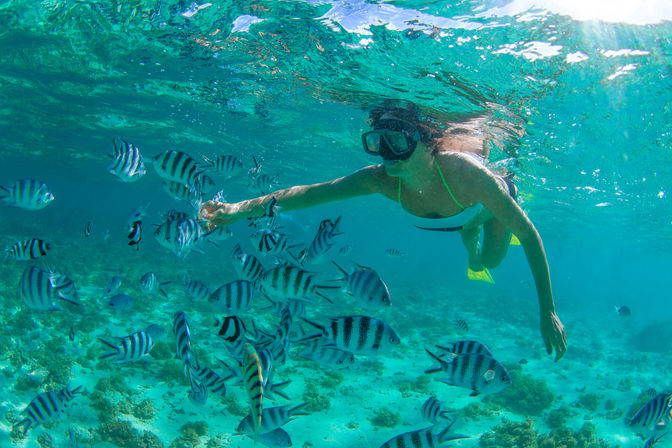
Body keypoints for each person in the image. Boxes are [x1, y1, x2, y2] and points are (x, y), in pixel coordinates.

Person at [200, 100, 567, 361]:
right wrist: (237, 209)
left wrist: (547, 310)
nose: (387, 154)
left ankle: (481, 222)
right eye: (378, 143)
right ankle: (467, 231)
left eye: (398, 142)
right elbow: (310, 194)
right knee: (475, 248)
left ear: (426, 142)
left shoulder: (465, 173)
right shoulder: (380, 180)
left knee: (491, 260)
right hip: (456, 215)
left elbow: (531, 235)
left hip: (486, 206)